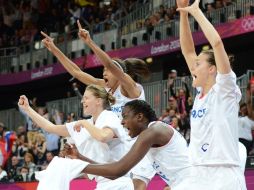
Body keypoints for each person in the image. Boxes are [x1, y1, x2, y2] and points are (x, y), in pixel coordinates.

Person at [41, 21, 155, 189]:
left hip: (141, 146)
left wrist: (89, 42)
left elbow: (110, 64)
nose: (104, 73)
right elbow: (76, 72)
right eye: (103, 71)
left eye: (107, 71)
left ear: (119, 73)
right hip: (121, 148)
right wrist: (54, 49)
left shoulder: (130, 87)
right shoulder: (107, 89)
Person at [177, 0, 246, 189]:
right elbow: (188, 50)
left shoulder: (224, 89)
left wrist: (196, 12)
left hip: (223, 173)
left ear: (212, 69)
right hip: (197, 170)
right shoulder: (201, 92)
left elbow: (216, 43)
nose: (193, 67)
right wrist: (183, 14)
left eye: (198, 64)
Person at [18, 84, 134, 190]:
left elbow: (103, 136)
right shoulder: (87, 124)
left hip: (120, 183)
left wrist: (84, 123)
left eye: (86, 98)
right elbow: (51, 128)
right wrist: (28, 109)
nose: (82, 101)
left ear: (98, 101)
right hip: (104, 183)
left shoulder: (109, 116)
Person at [65, 100, 191, 189]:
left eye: (125, 116)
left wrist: (77, 166)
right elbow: (115, 175)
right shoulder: (147, 141)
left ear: (139, 117)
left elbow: (118, 170)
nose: (122, 122)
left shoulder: (153, 131)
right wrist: (80, 158)